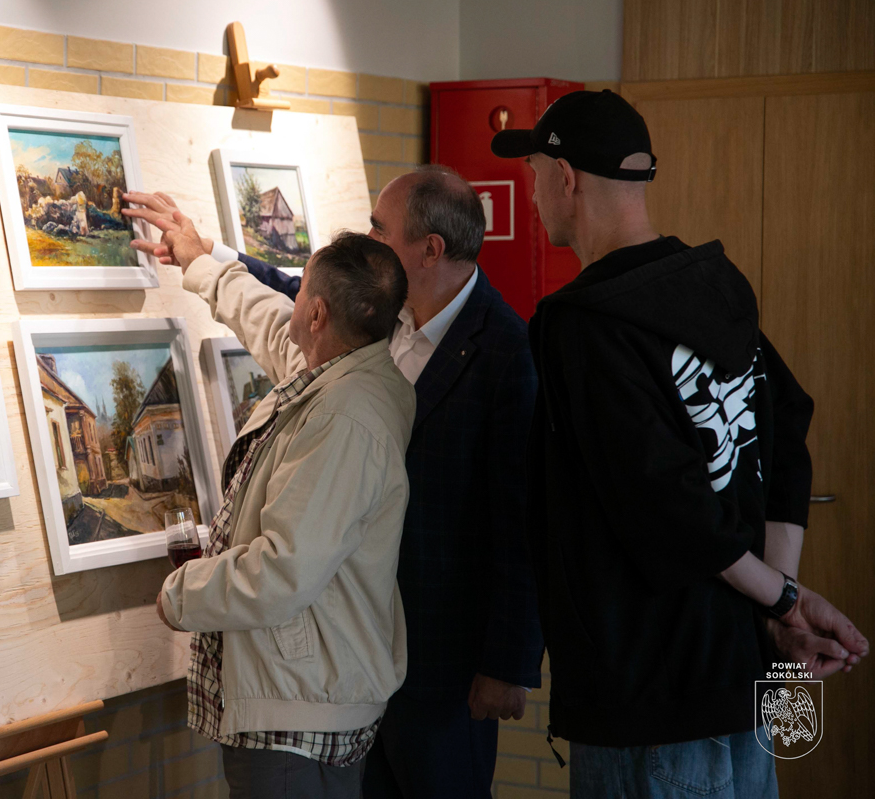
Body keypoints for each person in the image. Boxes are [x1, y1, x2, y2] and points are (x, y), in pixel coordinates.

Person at [491, 89, 870, 797]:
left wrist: (784, 601)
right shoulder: (716, 282)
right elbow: (786, 426)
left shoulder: (582, 324)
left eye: (535, 174)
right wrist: (776, 600)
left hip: (651, 702)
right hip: (744, 680)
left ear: (566, 177)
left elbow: (666, 503)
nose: (534, 194)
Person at [126, 166, 543, 799]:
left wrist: (507, 662)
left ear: (430, 249)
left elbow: (523, 518)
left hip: (438, 656)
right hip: (345, 653)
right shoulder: (377, 322)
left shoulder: (506, 351)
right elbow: (280, 308)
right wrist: (206, 255)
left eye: (380, 228)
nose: (371, 238)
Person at [153, 229, 415, 798]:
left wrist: (180, 595)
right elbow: (268, 321)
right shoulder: (342, 371)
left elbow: (282, 569)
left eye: (300, 292)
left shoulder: (344, 418)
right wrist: (202, 264)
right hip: (300, 692)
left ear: (317, 314)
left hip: (298, 713)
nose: (290, 301)